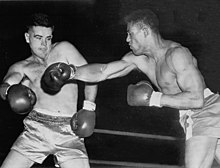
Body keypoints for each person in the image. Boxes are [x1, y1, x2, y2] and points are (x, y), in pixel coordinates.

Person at [41, 9, 220, 168]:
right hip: (202, 113)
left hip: (205, 111)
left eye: (130, 34)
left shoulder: (177, 55)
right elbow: (103, 71)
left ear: (145, 31)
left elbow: (197, 99)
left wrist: (153, 99)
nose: (127, 39)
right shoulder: (139, 59)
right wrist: (72, 72)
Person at [0, 13, 98, 168]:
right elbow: (7, 84)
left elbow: (92, 74)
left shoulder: (64, 50)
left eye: (48, 38)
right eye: (38, 37)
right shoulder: (22, 67)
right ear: (27, 37)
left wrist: (89, 107)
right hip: (35, 131)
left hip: (69, 131)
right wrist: (9, 92)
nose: (44, 44)